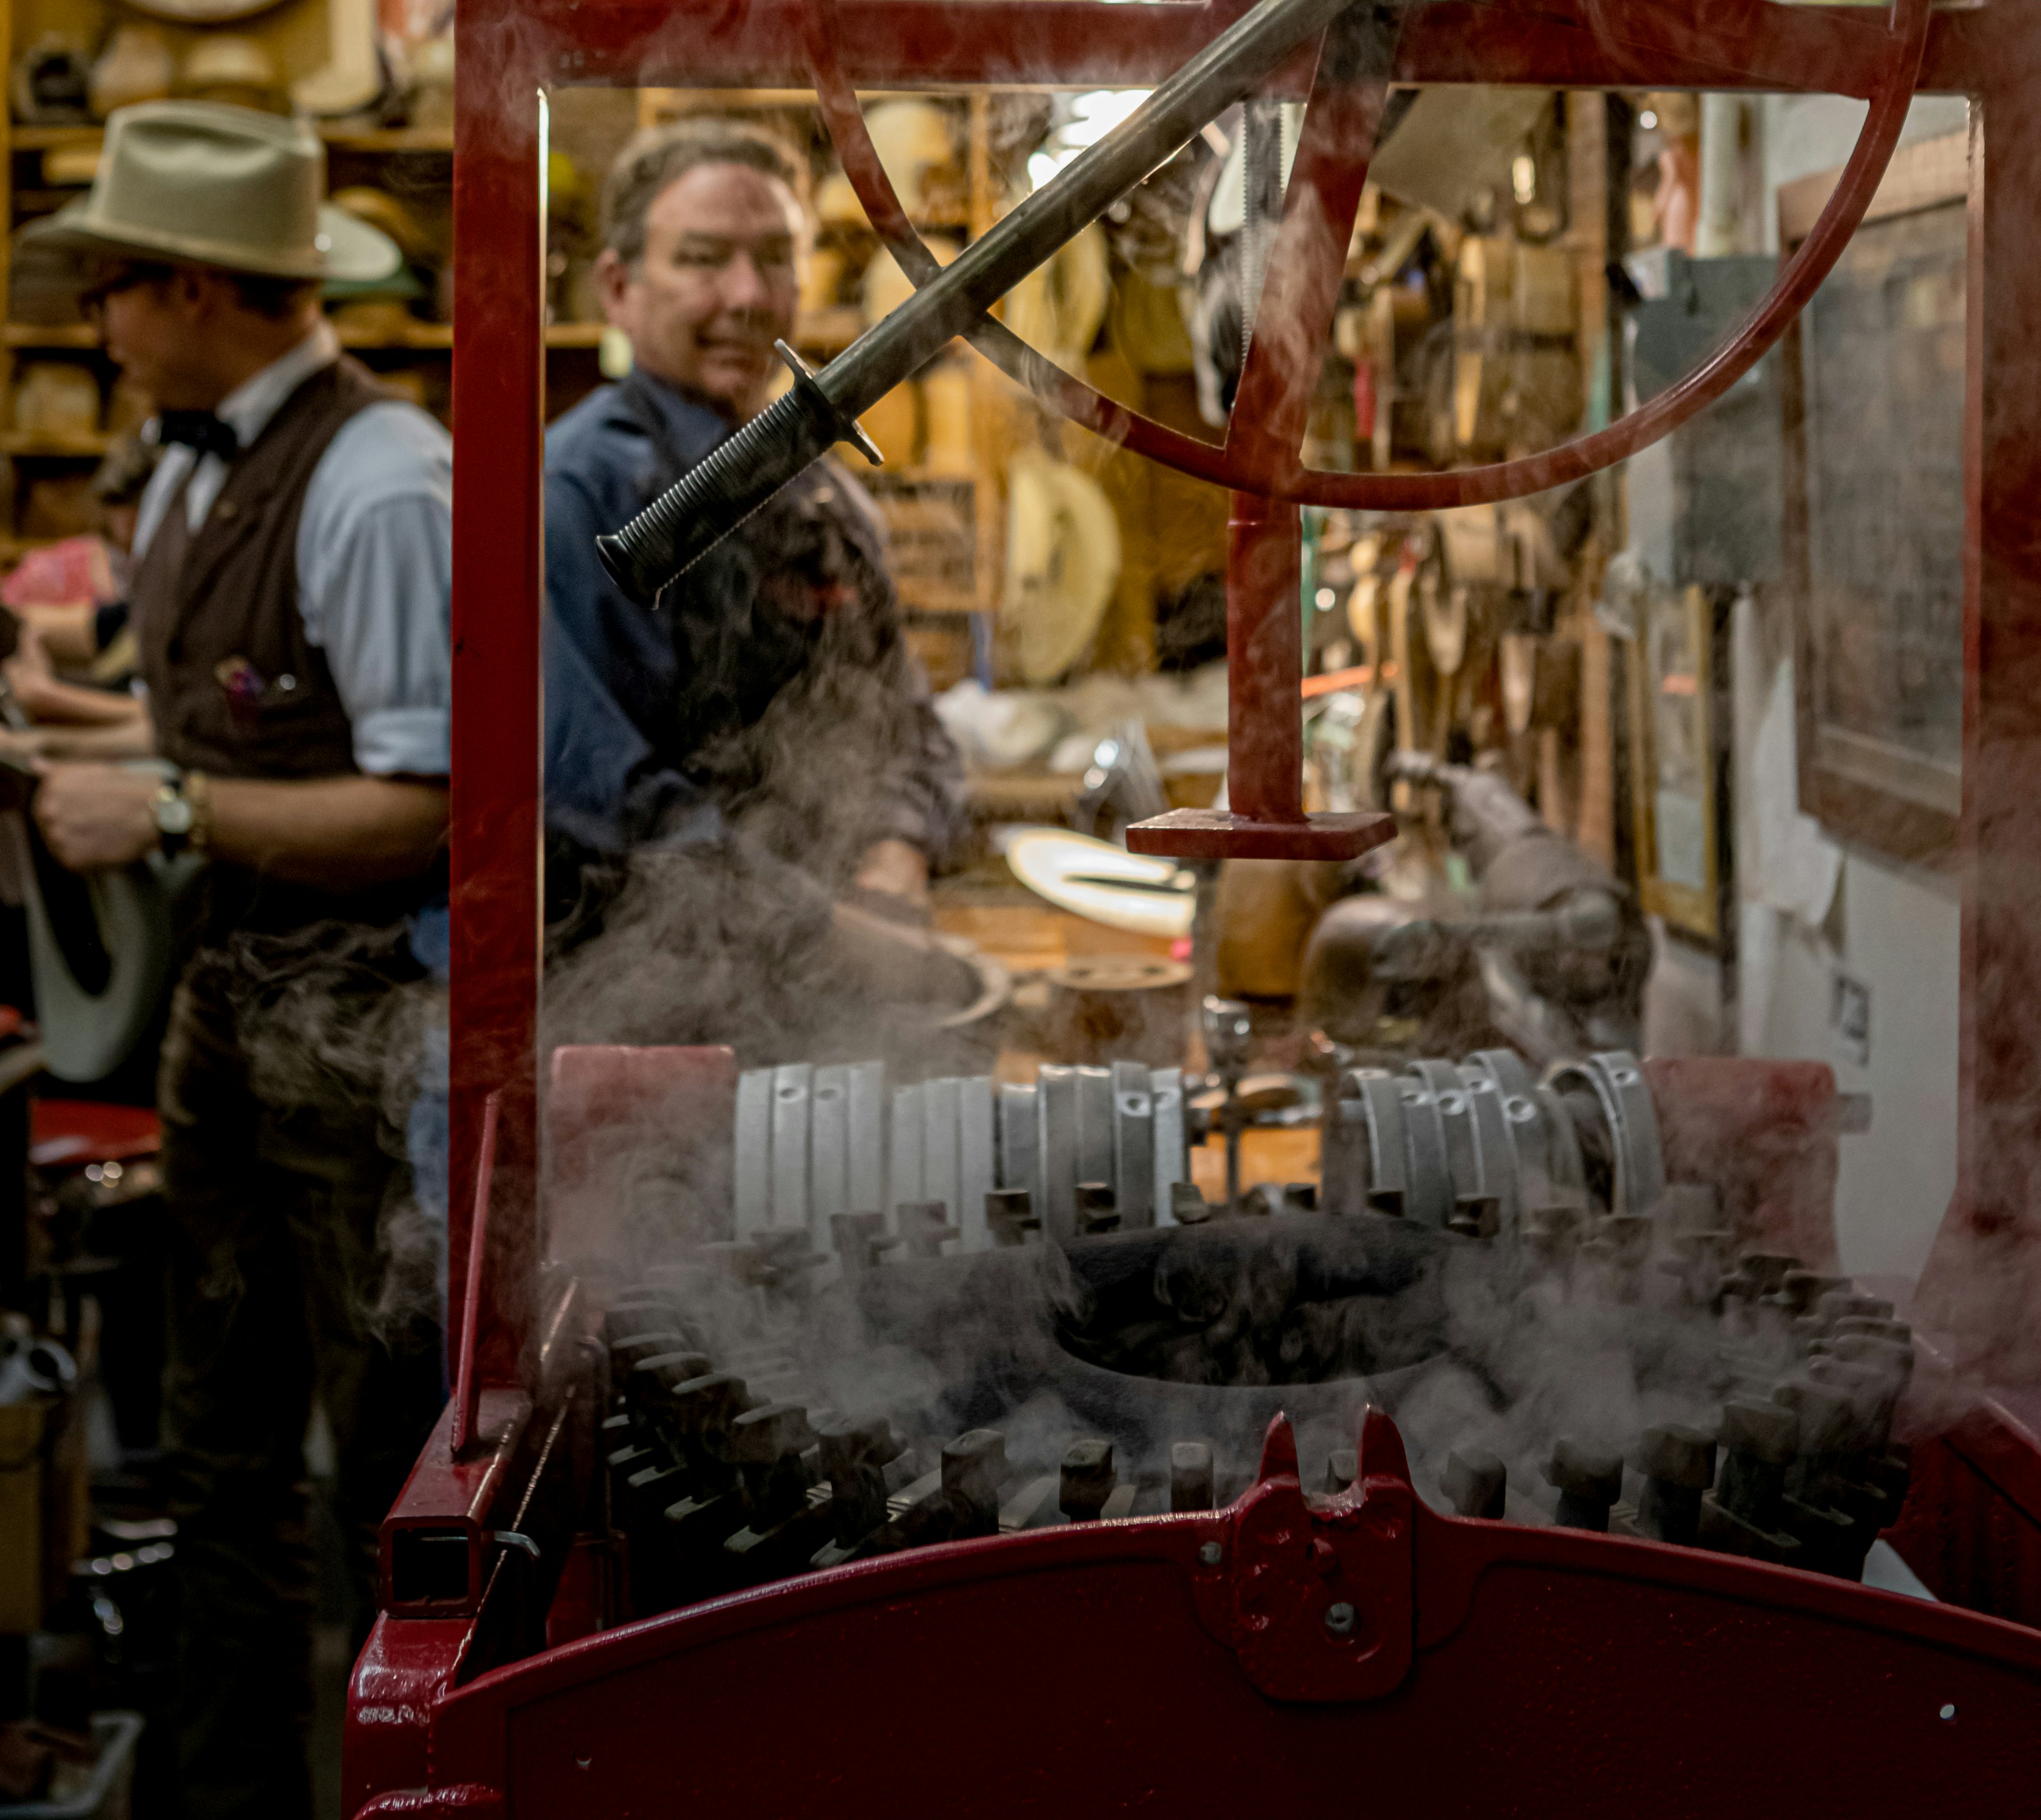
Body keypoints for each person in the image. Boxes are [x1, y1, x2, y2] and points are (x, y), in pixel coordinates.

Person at [22, 101, 451, 1820]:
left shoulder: (378, 482)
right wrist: (97, 732)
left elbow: (423, 805)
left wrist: (175, 807)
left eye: (109, 290)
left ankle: (390, 1788)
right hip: (230, 1013)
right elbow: (234, 714)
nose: (93, 328)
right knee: (221, 1459)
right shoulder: (199, 459)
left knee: (381, 1476)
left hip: (360, 1038)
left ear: (192, 286)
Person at [541, 119, 967, 1049]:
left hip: (810, 1011)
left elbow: (907, 723)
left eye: (774, 259)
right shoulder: (577, 495)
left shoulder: (827, 500)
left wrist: (896, 856)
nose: (745, 295)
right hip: (628, 1020)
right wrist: (823, 925)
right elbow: (603, 795)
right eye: (703, 259)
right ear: (618, 287)